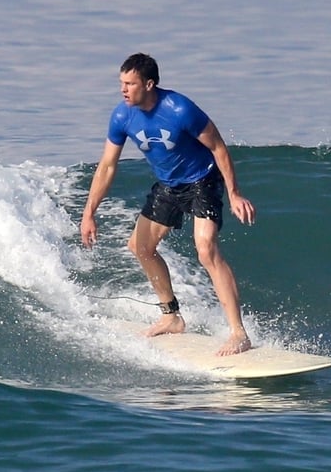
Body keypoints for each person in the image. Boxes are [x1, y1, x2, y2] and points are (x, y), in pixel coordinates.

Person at [80, 53, 257, 356]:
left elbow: (218, 147)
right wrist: (89, 212)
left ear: (149, 84)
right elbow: (107, 166)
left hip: (202, 181)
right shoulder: (122, 116)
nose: (123, 90)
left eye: (130, 84)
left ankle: (239, 334)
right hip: (168, 186)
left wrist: (235, 193)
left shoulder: (180, 109)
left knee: (206, 249)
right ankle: (171, 316)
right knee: (139, 247)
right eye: (121, 83)